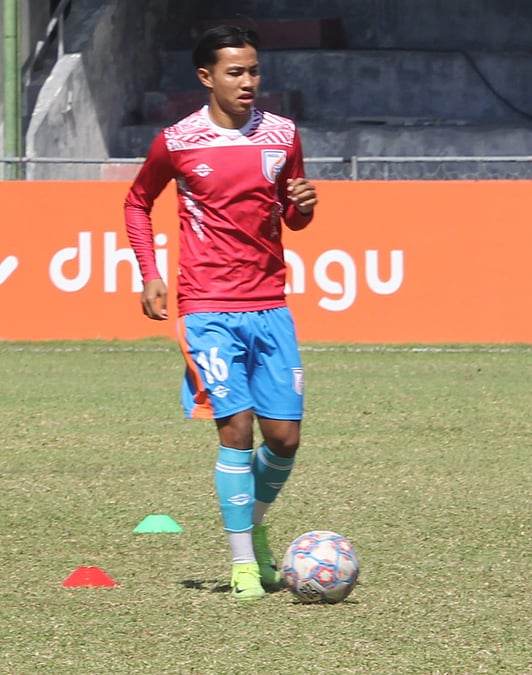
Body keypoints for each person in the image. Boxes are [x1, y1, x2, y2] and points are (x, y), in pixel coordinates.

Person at [124, 25, 318, 601]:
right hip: (207, 307)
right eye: (236, 72)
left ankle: (252, 526)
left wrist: (304, 208)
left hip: (269, 304)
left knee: (284, 438)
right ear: (206, 77)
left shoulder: (283, 136)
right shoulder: (177, 142)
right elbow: (136, 203)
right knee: (235, 430)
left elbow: (292, 215)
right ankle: (241, 564)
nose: (249, 82)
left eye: (254, 70)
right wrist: (151, 274)